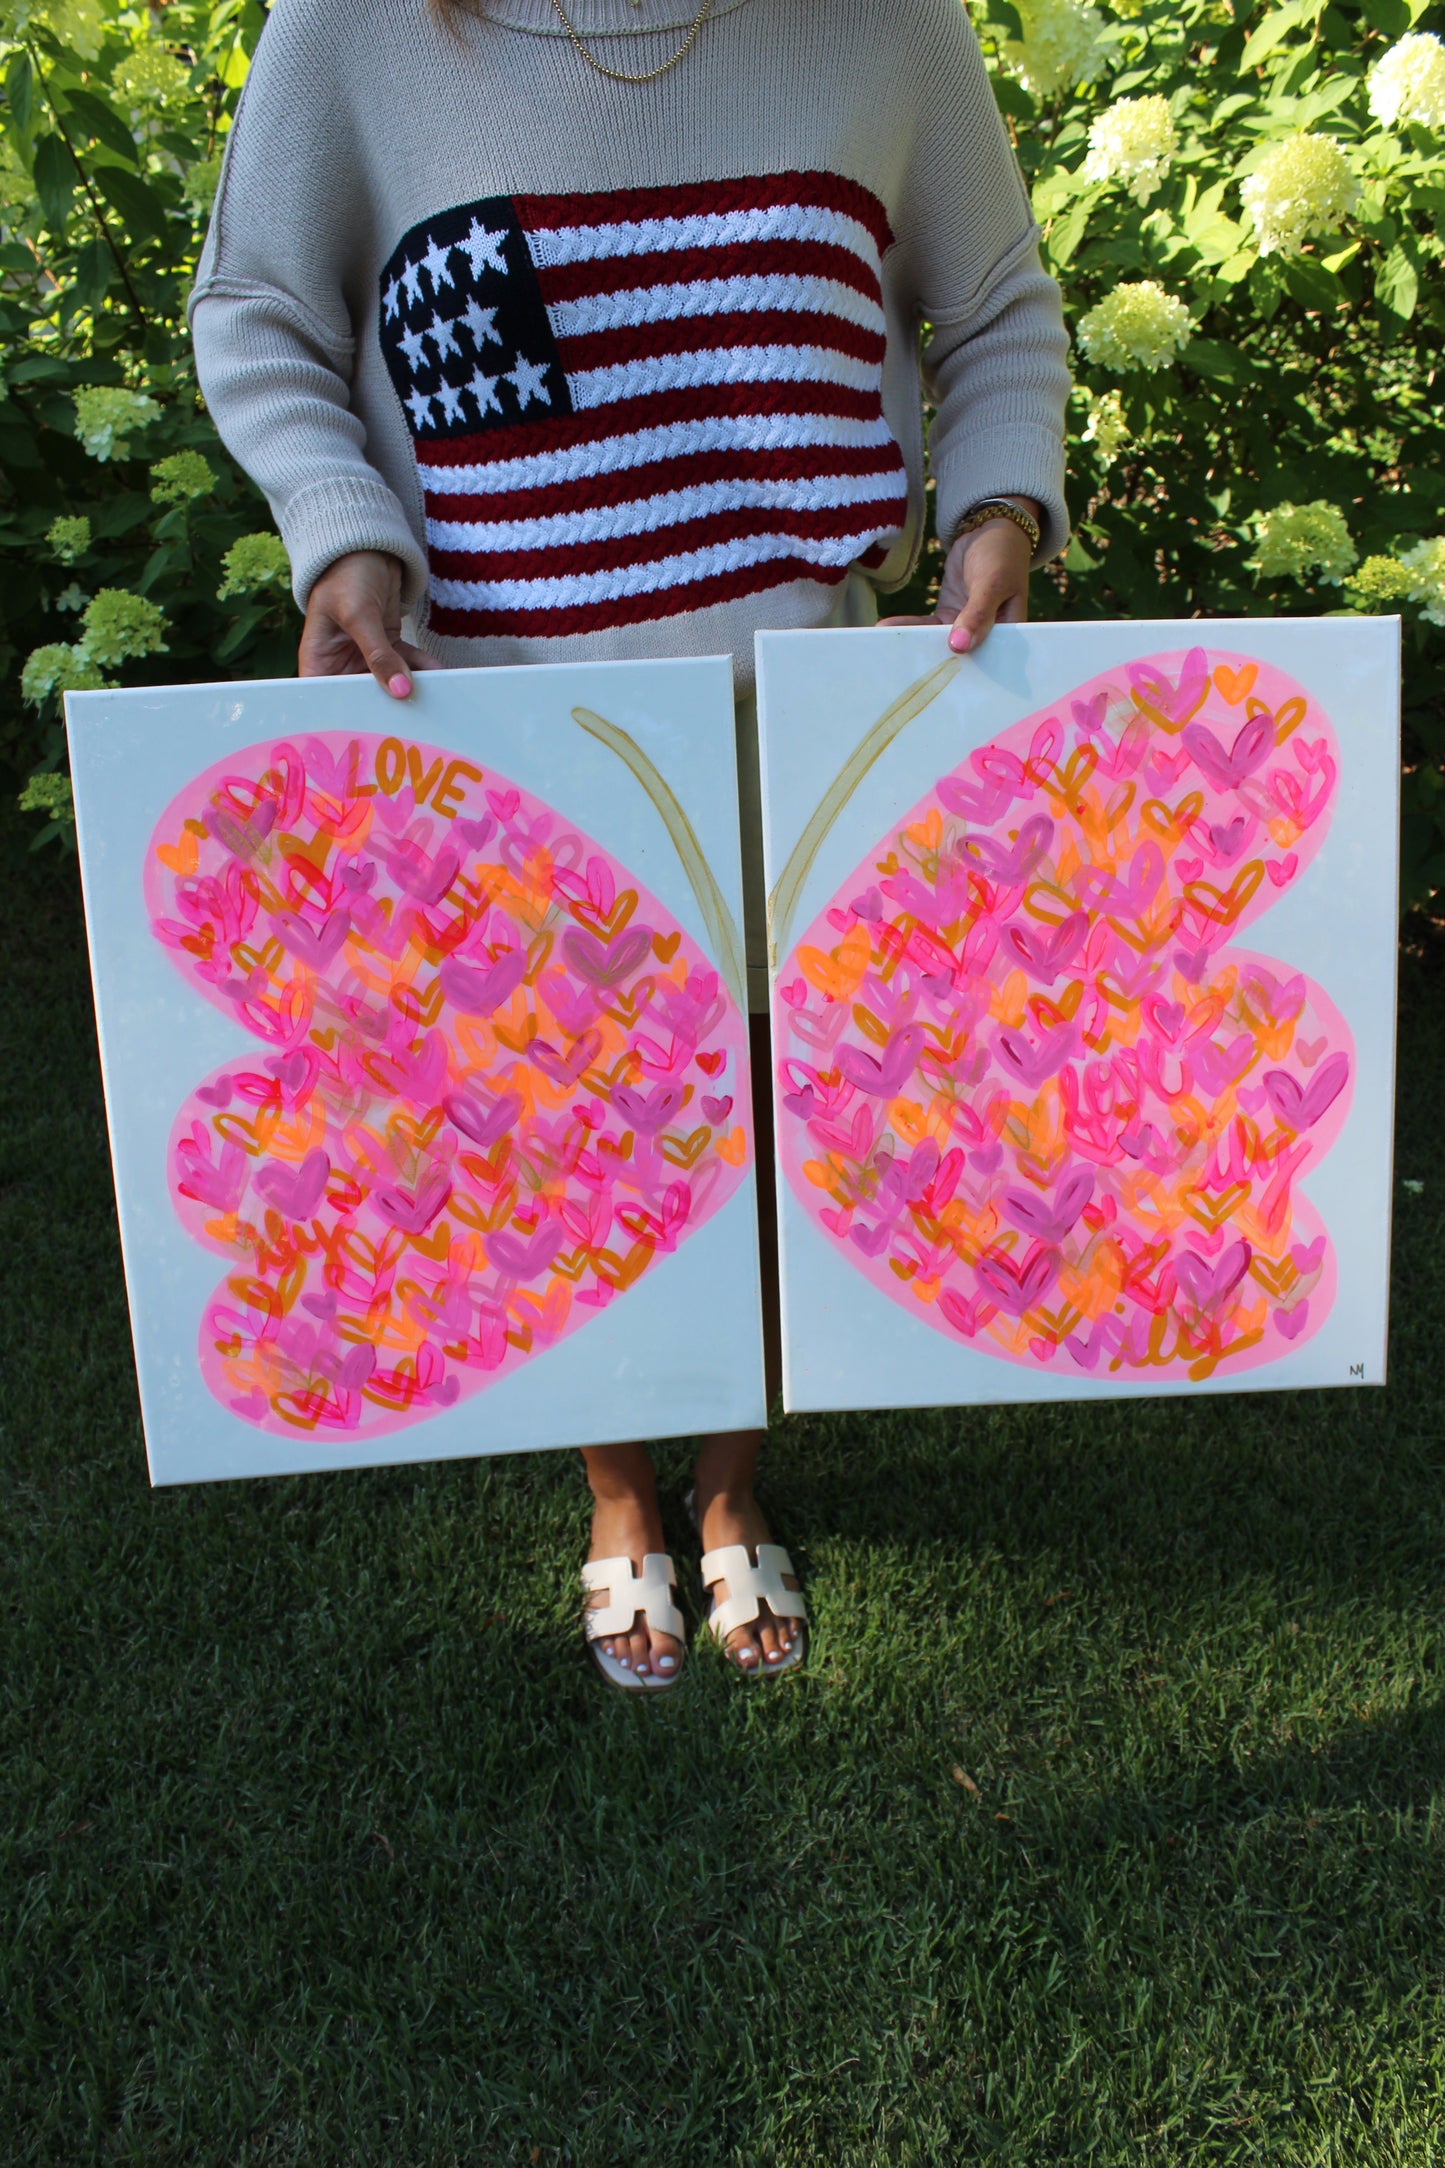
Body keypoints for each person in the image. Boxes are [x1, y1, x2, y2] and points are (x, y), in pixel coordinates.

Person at [189, 0, 1070, 1689]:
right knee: (563, 1140)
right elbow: (259, 305)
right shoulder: (361, 28)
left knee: (761, 1136)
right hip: (501, 740)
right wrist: (343, 527)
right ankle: (617, 1494)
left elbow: (997, 307)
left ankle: (729, 1489)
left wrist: (996, 505)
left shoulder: (883, 24)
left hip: (801, 737)